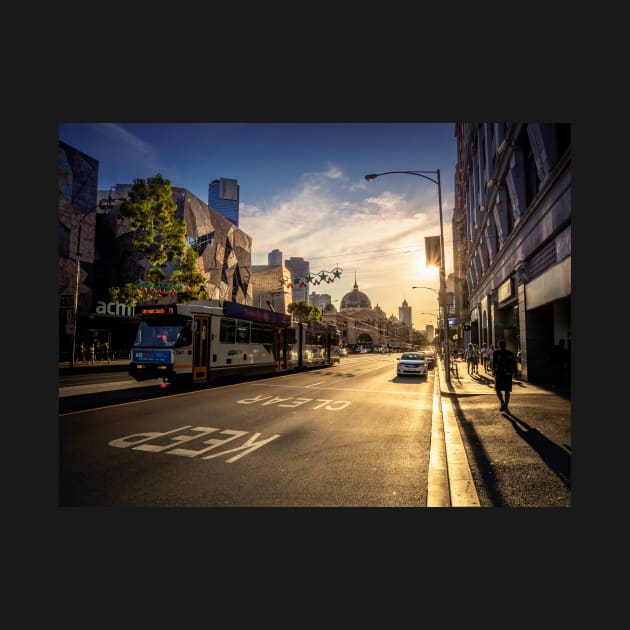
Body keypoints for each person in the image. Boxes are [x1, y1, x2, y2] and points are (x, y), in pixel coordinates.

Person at [492, 339, 518, 412]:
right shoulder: (510, 353)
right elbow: (513, 363)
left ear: (498, 346)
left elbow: (494, 363)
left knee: (497, 389)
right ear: (505, 346)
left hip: (499, 373)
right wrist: (515, 372)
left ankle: (502, 401)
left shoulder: (496, 353)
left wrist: (493, 370)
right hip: (508, 373)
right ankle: (506, 405)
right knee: (507, 390)